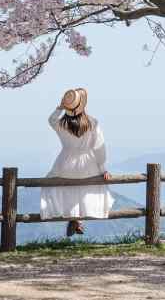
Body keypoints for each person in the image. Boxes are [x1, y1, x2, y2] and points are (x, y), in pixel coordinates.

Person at [39, 87, 114, 236]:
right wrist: (103, 167)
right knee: (84, 189)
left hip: (66, 162)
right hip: (88, 164)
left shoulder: (61, 124)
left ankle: (73, 218)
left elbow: (51, 119)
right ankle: (78, 220)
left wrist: (60, 107)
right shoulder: (93, 122)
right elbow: (99, 148)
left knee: (64, 187)